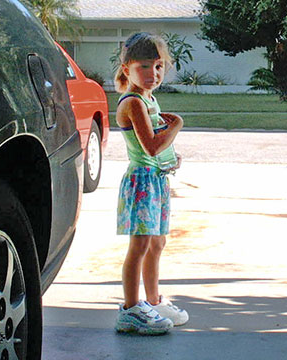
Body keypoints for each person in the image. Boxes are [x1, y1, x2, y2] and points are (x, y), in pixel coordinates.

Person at [113, 32, 188, 335]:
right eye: (144, 66)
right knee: (140, 244)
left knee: (157, 242)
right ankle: (131, 310)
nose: (152, 74)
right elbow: (151, 147)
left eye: (158, 67)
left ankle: (153, 302)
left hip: (156, 179)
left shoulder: (149, 99)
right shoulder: (133, 103)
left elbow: (161, 150)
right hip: (142, 180)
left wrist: (172, 156)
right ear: (126, 66)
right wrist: (177, 126)